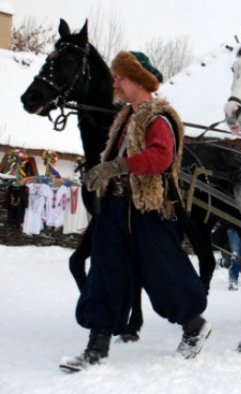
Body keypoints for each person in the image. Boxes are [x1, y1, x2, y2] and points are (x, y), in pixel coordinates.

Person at [60, 51, 210, 373]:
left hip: (147, 209)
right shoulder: (126, 118)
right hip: (115, 208)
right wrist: (101, 173)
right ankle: (96, 348)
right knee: (105, 271)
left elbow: (160, 159)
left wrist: (117, 166)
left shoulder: (159, 118)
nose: (115, 82)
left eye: (121, 77)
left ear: (138, 81)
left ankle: (194, 326)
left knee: (163, 273)